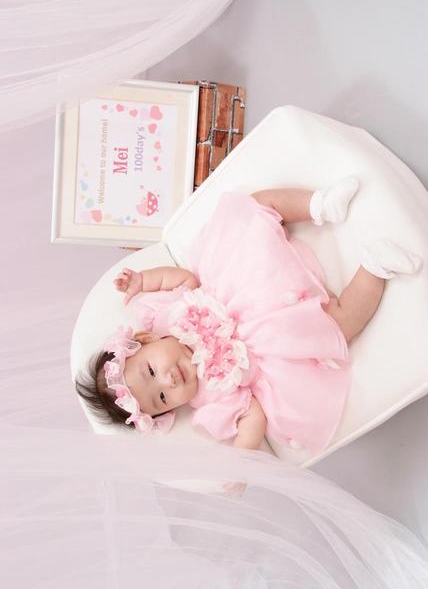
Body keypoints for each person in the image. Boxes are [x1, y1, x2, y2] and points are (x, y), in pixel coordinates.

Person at [76, 177, 422, 454]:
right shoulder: (209, 399)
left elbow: (184, 279)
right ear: (169, 412)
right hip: (273, 337)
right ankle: (375, 267)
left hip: (244, 280)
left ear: (146, 339)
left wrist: (142, 280)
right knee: (336, 328)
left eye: (151, 370)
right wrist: (242, 458)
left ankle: (318, 204)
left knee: (254, 210)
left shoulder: (165, 317)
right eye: (162, 399)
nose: (168, 381)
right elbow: (252, 414)